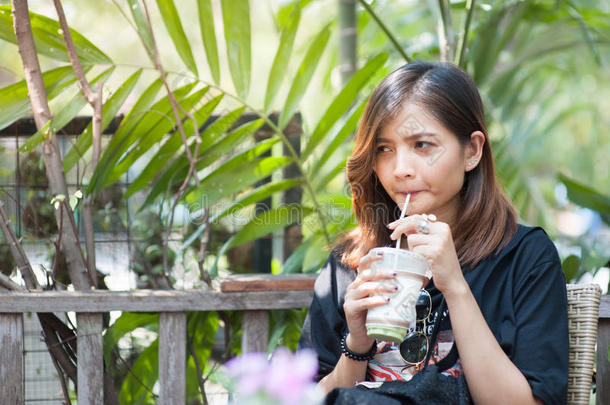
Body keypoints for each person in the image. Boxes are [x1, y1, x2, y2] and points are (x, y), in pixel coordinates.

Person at [298, 61, 568, 405]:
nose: (401, 170)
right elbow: (303, 399)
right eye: (384, 149)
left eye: (422, 145)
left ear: (471, 150)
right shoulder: (351, 264)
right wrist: (357, 345)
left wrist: (455, 286)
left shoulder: (524, 257)